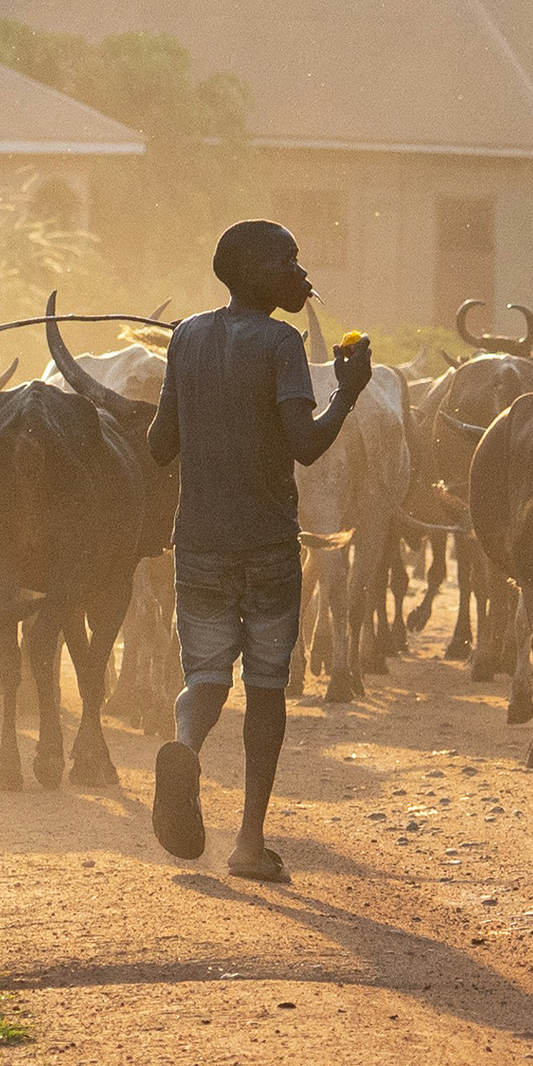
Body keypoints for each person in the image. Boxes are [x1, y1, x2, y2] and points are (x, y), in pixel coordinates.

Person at [146, 218, 371, 880]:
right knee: (266, 687)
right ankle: (248, 843)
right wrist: (349, 393)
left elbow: (160, 447)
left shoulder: (185, 337)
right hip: (270, 543)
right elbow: (305, 444)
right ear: (252, 275)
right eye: (289, 263)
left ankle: (184, 745)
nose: (303, 275)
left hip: (200, 543)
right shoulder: (281, 344)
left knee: (206, 678)